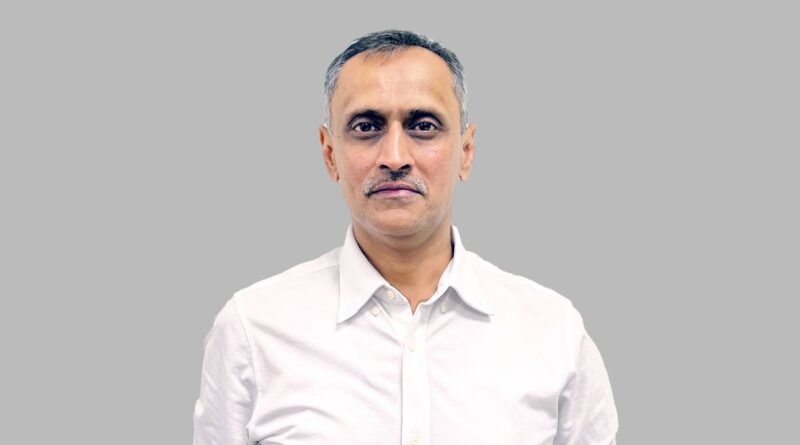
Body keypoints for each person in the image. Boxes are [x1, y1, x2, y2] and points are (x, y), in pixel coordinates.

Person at [193, 29, 618, 445]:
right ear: (329, 153)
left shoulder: (553, 331)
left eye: (424, 125)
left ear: (465, 152)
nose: (394, 157)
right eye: (366, 126)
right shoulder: (253, 329)